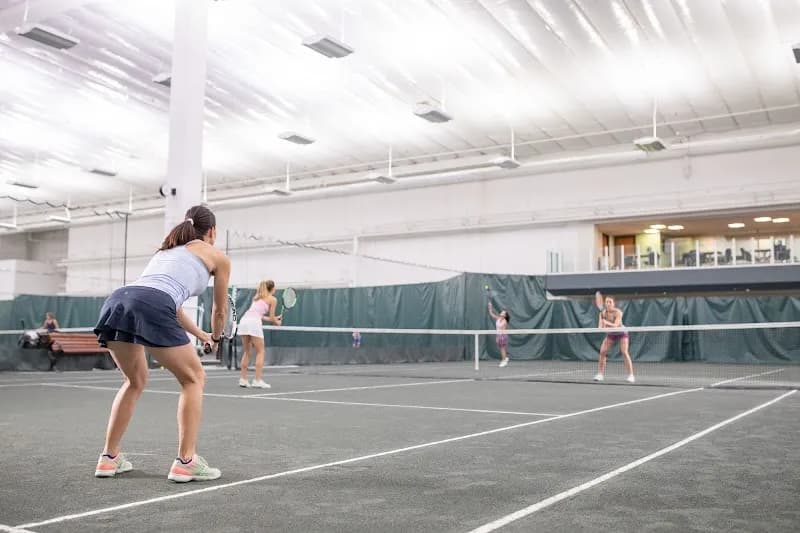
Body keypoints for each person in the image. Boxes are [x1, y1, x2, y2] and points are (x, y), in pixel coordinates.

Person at [93, 205, 230, 483]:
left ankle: (108, 458)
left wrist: (201, 334)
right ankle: (186, 461)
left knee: (134, 381)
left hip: (118, 301)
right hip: (151, 305)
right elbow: (219, 311)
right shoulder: (217, 256)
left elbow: (170, 305)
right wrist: (216, 336)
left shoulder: (165, 252)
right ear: (212, 231)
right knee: (194, 379)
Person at [236, 280, 281, 388]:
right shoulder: (273, 299)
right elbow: (271, 318)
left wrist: (275, 318)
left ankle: (243, 379)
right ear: (272, 289)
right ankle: (257, 380)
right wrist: (277, 321)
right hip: (253, 323)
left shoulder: (256, 297)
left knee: (247, 352)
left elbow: (259, 314)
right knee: (261, 351)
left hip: (244, 321)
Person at [594, 296, 635, 383]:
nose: (608, 304)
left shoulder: (618, 312)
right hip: (611, 334)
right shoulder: (602, 313)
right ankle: (600, 374)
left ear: (613, 304)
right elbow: (600, 327)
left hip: (621, 333)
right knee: (602, 352)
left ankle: (631, 375)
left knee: (624, 352)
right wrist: (602, 324)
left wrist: (606, 322)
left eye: (610, 302)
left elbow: (616, 325)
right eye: (607, 302)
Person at [488, 303, 510, 367]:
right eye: (502, 312)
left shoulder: (505, 321)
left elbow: (502, 330)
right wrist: (490, 308)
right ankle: (505, 358)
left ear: (505, 316)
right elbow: (491, 314)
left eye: (503, 313)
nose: (502, 313)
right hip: (498, 335)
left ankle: (504, 361)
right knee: (502, 348)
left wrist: (499, 337)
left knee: (502, 348)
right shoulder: (498, 318)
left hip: (502, 336)